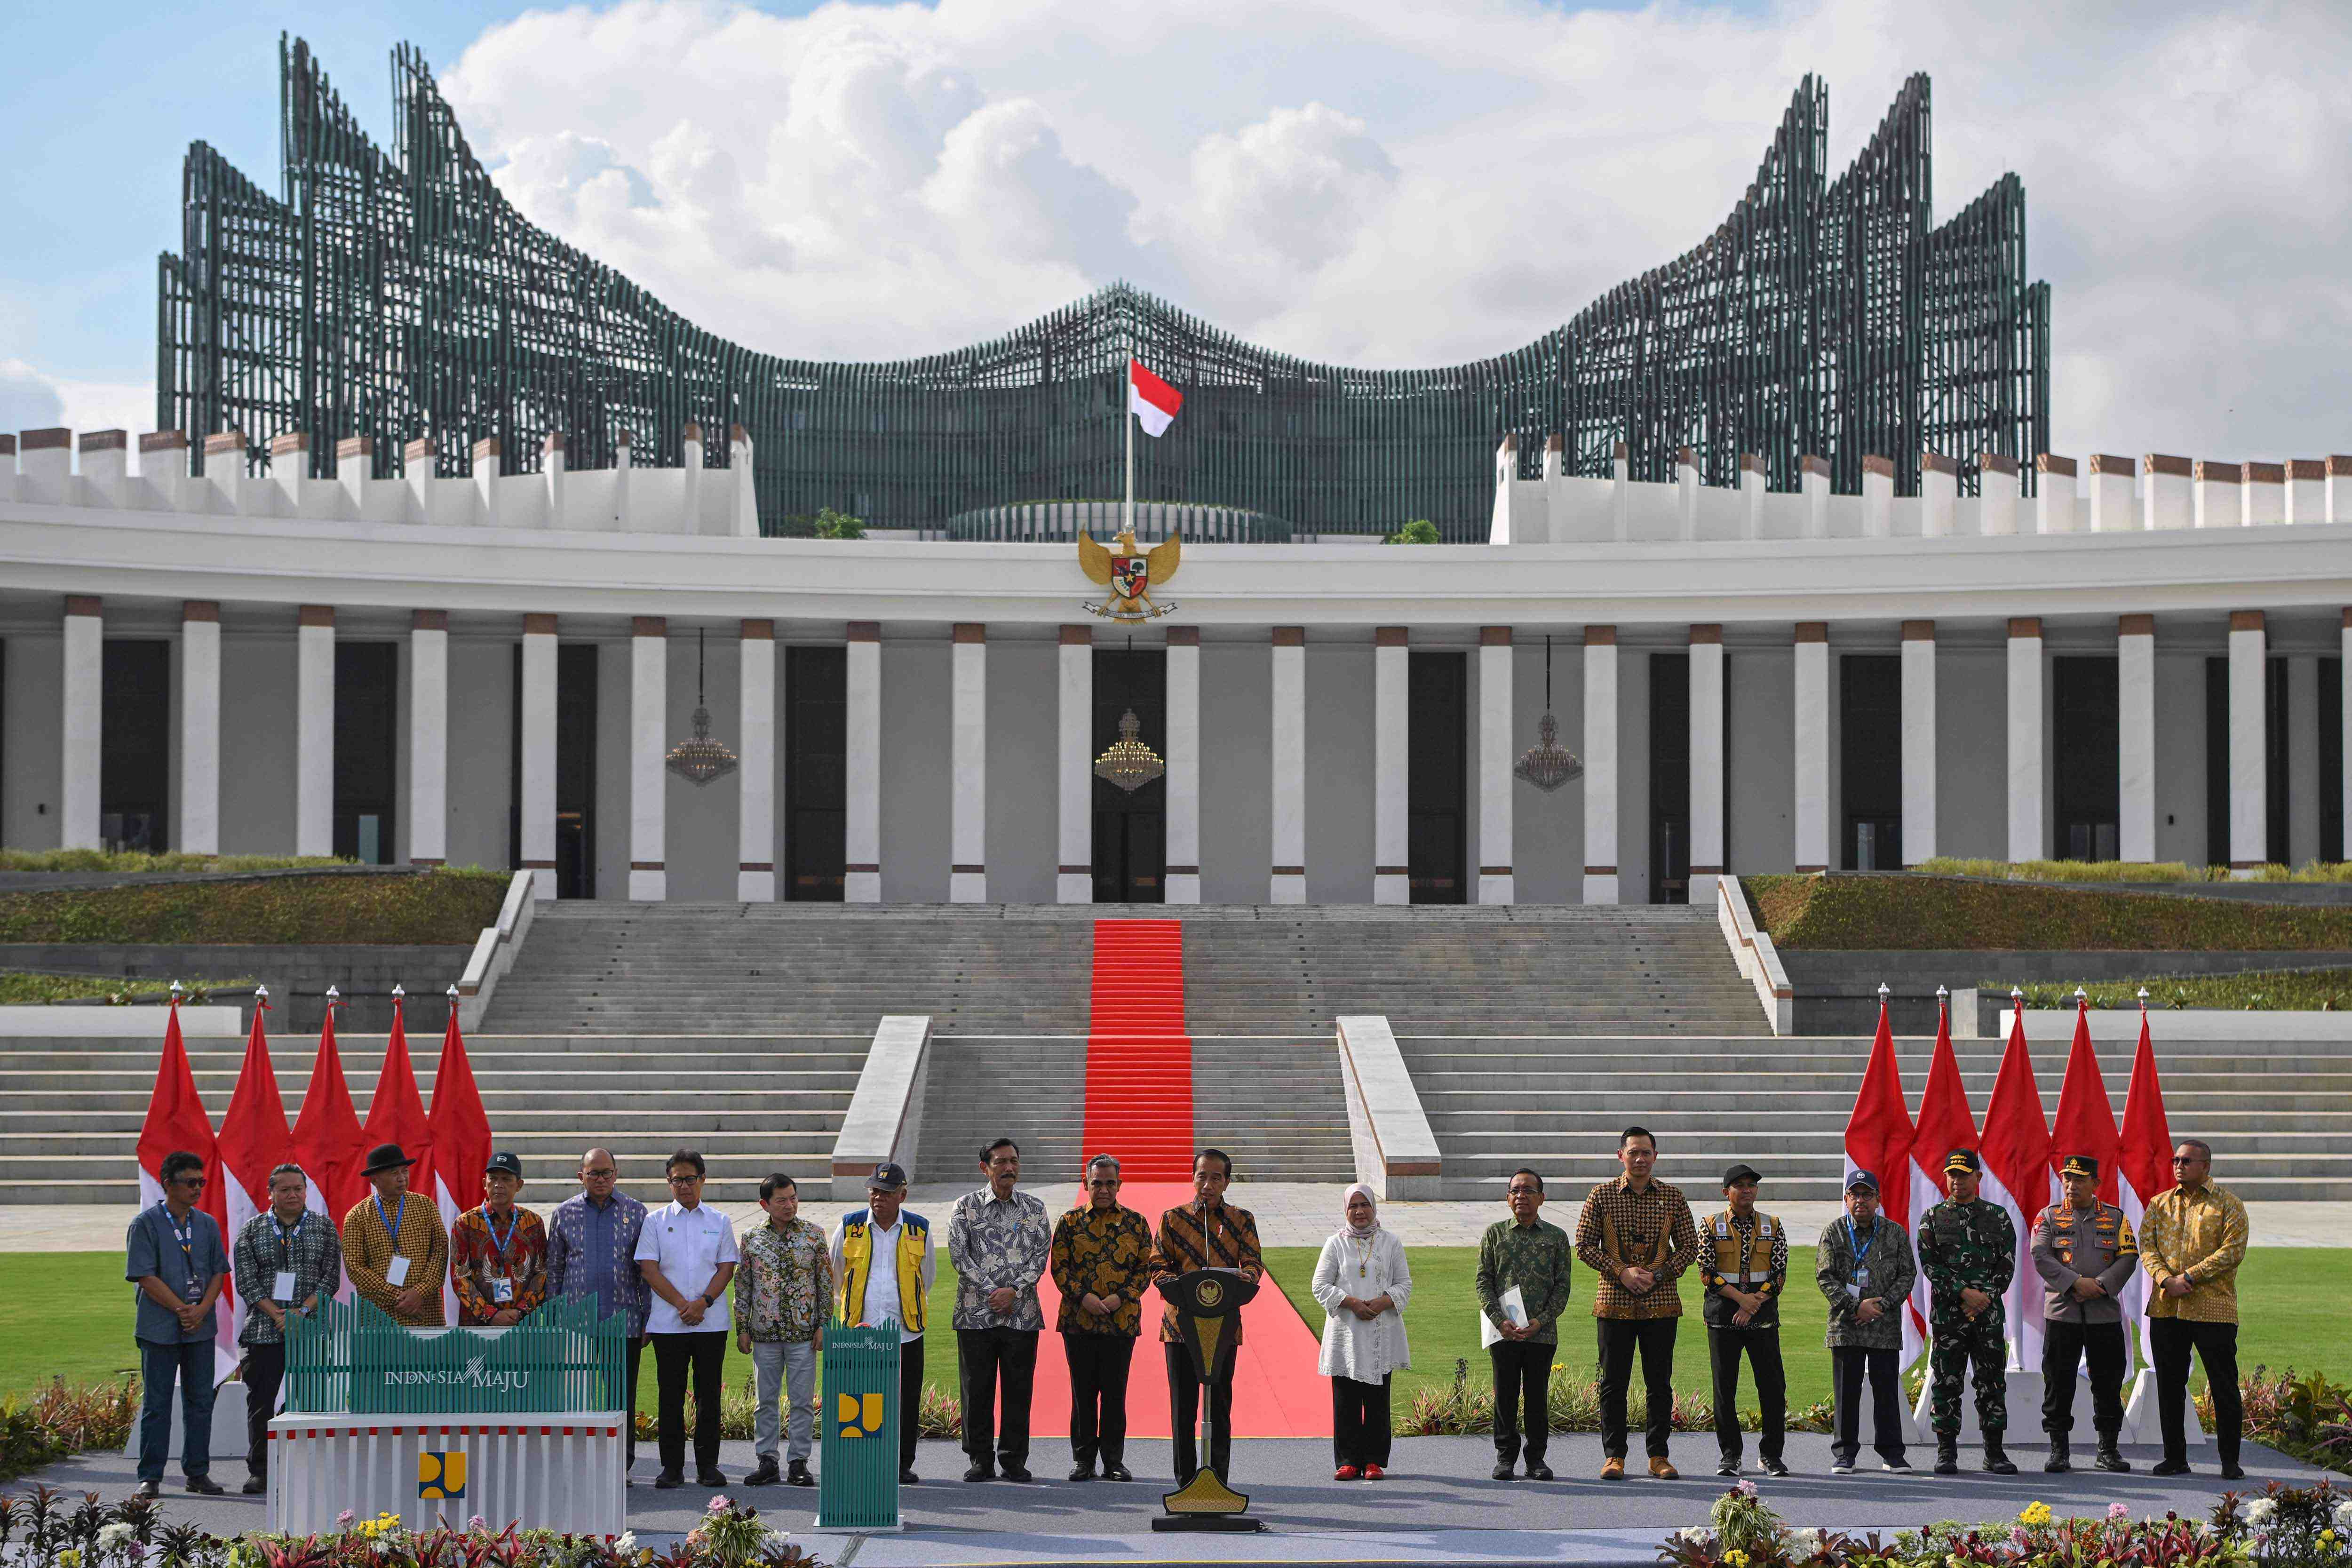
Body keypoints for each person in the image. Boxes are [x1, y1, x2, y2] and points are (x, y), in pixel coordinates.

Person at [1574, 1125, 1699, 1480]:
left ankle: (1658, 1455)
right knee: (1613, 1382)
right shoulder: (1601, 1195)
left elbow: (1690, 1246)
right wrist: (1621, 1271)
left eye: (1646, 1152)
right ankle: (1614, 1456)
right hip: (1614, 1301)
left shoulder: (1673, 1197)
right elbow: (1583, 1245)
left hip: (1661, 1302)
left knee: (1659, 1383)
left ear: (1655, 1156)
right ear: (1621, 1156)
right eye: (1633, 1152)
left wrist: (1658, 1274)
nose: (1640, 1159)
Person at [1149, 1148, 1264, 1487]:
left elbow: (1254, 1264)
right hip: (1180, 1327)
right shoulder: (1173, 1219)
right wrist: (1179, 1285)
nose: (1208, 1183)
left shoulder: (1242, 1219)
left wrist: (1248, 1276)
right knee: (1183, 1409)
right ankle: (1186, 1483)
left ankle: (1218, 1482)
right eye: (1202, 1175)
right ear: (1193, 1176)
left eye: (1216, 1177)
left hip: (1223, 1326)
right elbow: (1157, 1265)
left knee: (1219, 1407)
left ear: (1227, 1181)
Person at [228, 1161, 341, 1495]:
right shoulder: (251, 1229)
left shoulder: (324, 1227)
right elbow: (246, 1279)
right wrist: (277, 1313)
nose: (292, 1195)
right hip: (264, 1329)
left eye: (298, 1189)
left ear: (306, 1191)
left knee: (311, 1399)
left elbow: (330, 1278)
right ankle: (260, 1469)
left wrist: (301, 1311)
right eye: (285, 1189)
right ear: (271, 1192)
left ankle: (308, 1468)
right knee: (260, 1401)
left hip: (312, 1328)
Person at [2140, 1138, 2249, 1479]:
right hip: (2167, 1306)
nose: (2179, 1165)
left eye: (2187, 1160)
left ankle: (2230, 1460)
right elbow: (2147, 1246)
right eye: (2176, 1159)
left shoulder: (2229, 1205)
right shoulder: (2160, 1204)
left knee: (2223, 1385)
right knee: (2169, 1385)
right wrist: (2165, 1279)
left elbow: (2232, 1251)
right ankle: (2175, 1457)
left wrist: (2189, 1275)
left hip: (2213, 1308)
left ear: (2206, 1166)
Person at [127, 1149, 232, 1498]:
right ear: (169, 1184)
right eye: (190, 1182)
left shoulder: (206, 1223)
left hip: (199, 1327)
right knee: (158, 1403)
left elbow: (219, 1270)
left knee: (201, 1400)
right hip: (160, 1327)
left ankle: (197, 1472)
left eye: (201, 1182)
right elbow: (144, 1275)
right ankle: (151, 1475)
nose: (198, 1188)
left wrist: (201, 1309)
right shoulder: (146, 1224)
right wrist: (182, 1309)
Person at [947, 1138, 1052, 1483]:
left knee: (1018, 1389)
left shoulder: (1034, 1209)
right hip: (976, 1314)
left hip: (1022, 1315)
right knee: (976, 1389)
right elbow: (960, 1256)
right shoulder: (965, 1206)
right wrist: (994, 1292)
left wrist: (1015, 1291)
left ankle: (1013, 1459)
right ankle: (980, 1458)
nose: (1009, 1168)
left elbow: (1040, 1256)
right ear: (985, 1167)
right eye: (1001, 1162)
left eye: (1014, 1161)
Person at [1048, 1154, 1155, 1481]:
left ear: (1120, 1185)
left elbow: (1145, 1268)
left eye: (1110, 1183)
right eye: (1097, 1182)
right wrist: (1085, 1297)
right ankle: (1083, 1461)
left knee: (1114, 1393)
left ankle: (1113, 1461)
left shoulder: (1136, 1223)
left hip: (1120, 1321)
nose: (1104, 1189)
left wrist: (1119, 1297)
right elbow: (1059, 1267)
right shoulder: (1069, 1222)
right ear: (1086, 1184)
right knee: (1082, 1393)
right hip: (1078, 1321)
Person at [636, 1148, 738, 1489]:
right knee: (671, 1394)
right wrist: (683, 1304)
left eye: (690, 1178)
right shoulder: (655, 1221)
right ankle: (672, 1468)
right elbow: (649, 1269)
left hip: (710, 1322)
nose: (684, 1185)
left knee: (709, 1394)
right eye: (677, 1179)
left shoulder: (719, 1221)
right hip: (669, 1322)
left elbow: (726, 1268)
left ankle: (708, 1466)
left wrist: (704, 1302)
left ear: (703, 1179)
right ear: (669, 1182)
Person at [2031, 1153, 2139, 1474]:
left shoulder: (2116, 1218)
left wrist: (2102, 1285)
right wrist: (2075, 1282)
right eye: (2067, 1178)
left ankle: (2108, 1449)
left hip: (2103, 1314)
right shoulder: (2048, 1216)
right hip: (2062, 1313)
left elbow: (2129, 1256)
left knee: (2108, 1381)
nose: (2071, 1185)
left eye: (2079, 1179)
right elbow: (2040, 1254)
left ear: (2096, 1183)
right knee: (2058, 1381)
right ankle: (2059, 1450)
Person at [547, 1146, 651, 1474]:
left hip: (623, 1322)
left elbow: (645, 1271)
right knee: (576, 1396)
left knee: (621, 1399)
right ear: (581, 1176)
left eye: (607, 1172)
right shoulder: (565, 1213)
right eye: (594, 1173)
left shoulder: (636, 1212)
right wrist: (554, 1317)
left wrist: (648, 1317)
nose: (602, 1179)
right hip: (575, 1323)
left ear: (616, 1174)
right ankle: (578, 1465)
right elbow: (554, 1270)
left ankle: (620, 1466)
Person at [832, 1161, 935, 1485]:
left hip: (905, 1331)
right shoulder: (850, 1226)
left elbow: (927, 1277)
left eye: (887, 1192)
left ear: (902, 1194)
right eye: (875, 1190)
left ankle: (902, 1464)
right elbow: (836, 1273)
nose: (879, 1197)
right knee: (860, 1399)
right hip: (860, 1332)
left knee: (905, 1401)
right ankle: (862, 1462)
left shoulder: (920, 1228)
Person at [1916, 1148, 2018, 1475]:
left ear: (1978, 1177)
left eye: (1963, 1173)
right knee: (1947, 1383)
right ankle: (1947, 1452)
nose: (1957, 1180)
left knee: (1992, 1383)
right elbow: (1931, 1264)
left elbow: (2007, 1264)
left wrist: (1983, 1297)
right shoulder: (1933, 1217)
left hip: (1987, 1317)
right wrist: (1963, 1292)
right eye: (1952, 1174)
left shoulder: (1998, 1216)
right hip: (1949, 1317)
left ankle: (1995, 1452)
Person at [1475, 1167, 1573, 1482]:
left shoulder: (1556, 1237)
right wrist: (1499, 1320)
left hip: (1541, 1333)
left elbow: (1562, 1287)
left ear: (1542, 1198)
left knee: (1536, 1397)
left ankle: (1536, 1460)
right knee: (1504, 1396)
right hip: (1503, 1331)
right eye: (1516, 1190)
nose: (1522, 1196)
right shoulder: (1494, 1234)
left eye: (1529, 1190)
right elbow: (1483, 1280)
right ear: (1507, 1198)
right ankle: (1505, 1458)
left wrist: (1541, 1320)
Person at [1815, 1169, 1915, 1474]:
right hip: (1847, 1325)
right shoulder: (1834, 1232)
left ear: (1878, 1199)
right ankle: (1845, 1454)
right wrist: (1855, 1305)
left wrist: (1881, 1305)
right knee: (1847, 1391)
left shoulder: (1895, 1232)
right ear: (1846, 1199)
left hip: (1883, 1325)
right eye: (1855, 1194)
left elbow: (1907, 1274)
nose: (1861, 1200)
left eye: (1867, 1194)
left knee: (1886, 1389)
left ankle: (1893, 1454)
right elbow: (1825, 1276)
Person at [737, 1171, 831, 1488]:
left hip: (803, 1333)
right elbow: (744, 1286)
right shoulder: (752, 1238)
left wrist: (824, 1326)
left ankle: (799, 1462)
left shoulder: (814, 1235)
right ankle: (767, 1460)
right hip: (764, 1334)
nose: (789, 1205)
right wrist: (742, 1327)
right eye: (781, 1200)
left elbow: (825, 1283)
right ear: (765, 1204)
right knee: (766, 1400)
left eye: (793, 1197)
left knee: (803, 1400)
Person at [1311, 1183, 1412, 1480]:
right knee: (1346, 1399)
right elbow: (1320, 1285)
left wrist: (1383, 1302)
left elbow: (1405, 1284)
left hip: (1382, 1329)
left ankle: (1373, 1461)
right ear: (1346, 1210)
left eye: (1364, 1205)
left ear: (1374, 1208)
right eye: (1353, 1206)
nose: (1359, 1212)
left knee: (1378, 1399)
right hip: (1347, 1332)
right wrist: (1352, 1303)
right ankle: (1348, 1461)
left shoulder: (1391, 1243)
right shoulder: (1335, 1243)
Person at [1700, 1163, 1788, 1479]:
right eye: (1740, 1185)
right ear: (1727, 1192)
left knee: (1773, 1388)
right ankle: (1730, 1455)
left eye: (1752, 1185)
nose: (1747, 1190)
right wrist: (1741, 1299)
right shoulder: (1710, 1224)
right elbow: (1707, 1273)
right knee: (1725, 1388)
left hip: (1762, 1319)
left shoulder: (1773, 1224)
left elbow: (1779, 1275)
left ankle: (1771, 1455)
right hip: (1724, 1318)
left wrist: (1753, 1304)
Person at [341, 1142, 447, 1327]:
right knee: (384, 1356)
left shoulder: (425, 1205)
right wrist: (397, 1298)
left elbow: (440, 1250)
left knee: (430, 1355)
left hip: (426, 1309)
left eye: (405, 1172)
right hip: (381, 1315)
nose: (402, 1178)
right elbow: (355, 1267)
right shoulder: (357, 1216)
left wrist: (420, 1292)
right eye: (394, 1174)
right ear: (374, 1180)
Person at [451, 1151, 548, 1327]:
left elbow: (541, 1273)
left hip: (523, 1323)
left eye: (506, 1179)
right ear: (484, 1184)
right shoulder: (466, 1223)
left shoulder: (533, 1223)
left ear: (519, 1185)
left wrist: (521, 1312)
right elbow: (460, 1278)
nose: (498, 1185)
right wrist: (490, 1315)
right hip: (477, 1323)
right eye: (493, 1178)